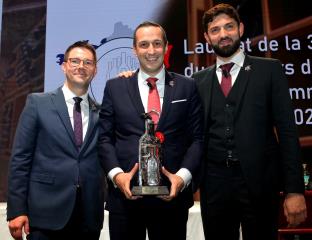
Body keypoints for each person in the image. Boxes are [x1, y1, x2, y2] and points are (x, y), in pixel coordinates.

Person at [192, 3, 307, 240]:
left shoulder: (269, 70)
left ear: (241, 29)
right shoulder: (197, 81)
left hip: (261, 185)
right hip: (214, 187)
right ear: (206, 37)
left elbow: (287, 132)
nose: (223, 34)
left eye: (229, 27)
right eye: (215, 30)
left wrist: (294, 190)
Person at [98, 21, 203, 240]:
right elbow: (105, 138)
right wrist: (117, 176)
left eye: (157, 44)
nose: (151, 51)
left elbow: (197, 139)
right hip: (125, 198)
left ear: (166, 47)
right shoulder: (114, 87)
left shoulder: (187, 86)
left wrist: (182, 178)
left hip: (171, 198)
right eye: (144, 45)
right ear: (134, 50)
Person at [7, 41, 105, 240]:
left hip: (88, 216)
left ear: (95, 70)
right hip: (45, 214)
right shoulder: (38, 103)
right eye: (75, 61)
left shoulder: (102, 112)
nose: (81, 66)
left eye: (87, 62)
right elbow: (20, 159)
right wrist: (17, 209)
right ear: (64, 66)